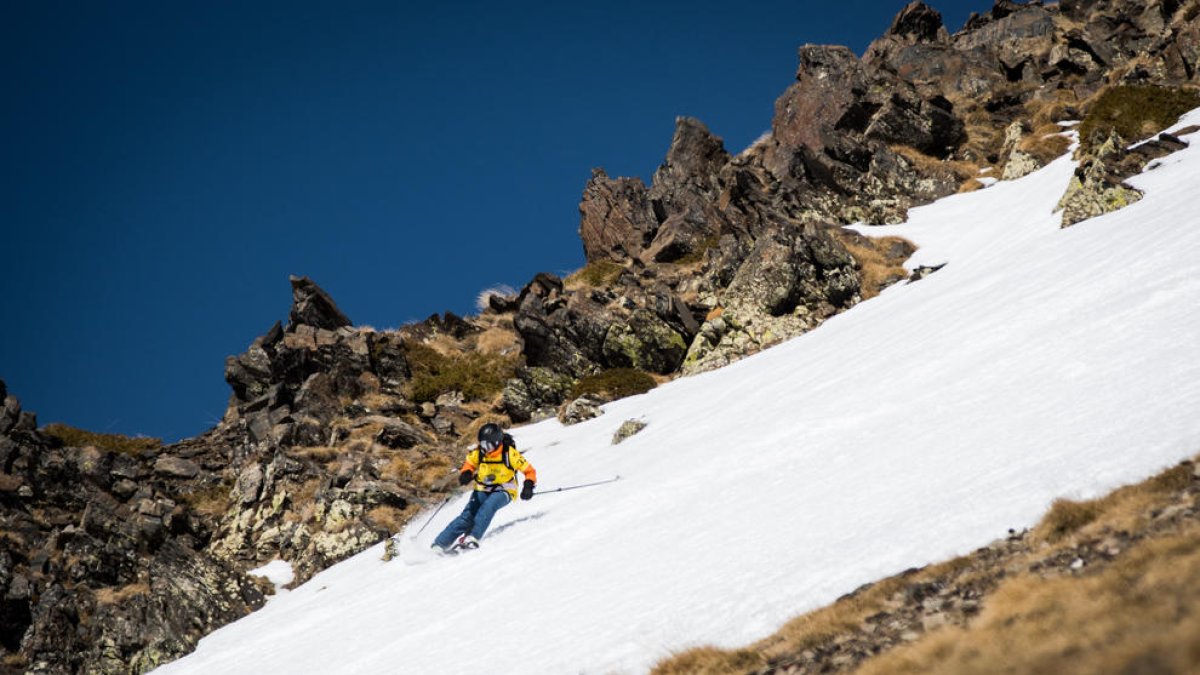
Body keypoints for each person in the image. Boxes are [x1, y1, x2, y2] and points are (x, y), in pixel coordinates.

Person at [431, 423, 536, 552]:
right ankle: (440, 544)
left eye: (488, 445)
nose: (485, 448)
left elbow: (529, 471)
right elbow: (469, 463)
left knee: (488, 506)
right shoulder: (480, 453)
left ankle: (473, 537)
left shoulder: (510, 454)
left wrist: (528, 486)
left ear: (497, 442)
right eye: (482, 444)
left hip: (505, 489)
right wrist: (466, 473)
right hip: (483, 487)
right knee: (467, 515)